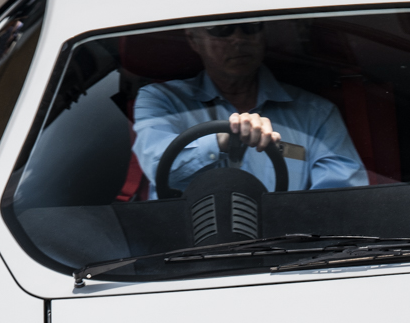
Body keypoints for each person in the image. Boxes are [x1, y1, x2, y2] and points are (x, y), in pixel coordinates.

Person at [132, 21, 367, 198]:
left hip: (290, 242)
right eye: (221, 30)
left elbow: (342, 198)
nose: (238, 39)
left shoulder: (316, 112)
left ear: (263, 36)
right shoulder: (162, 100)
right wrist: (220, 139)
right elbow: (157, 166)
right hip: (183, 244)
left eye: (249, 27)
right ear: (193, 40)